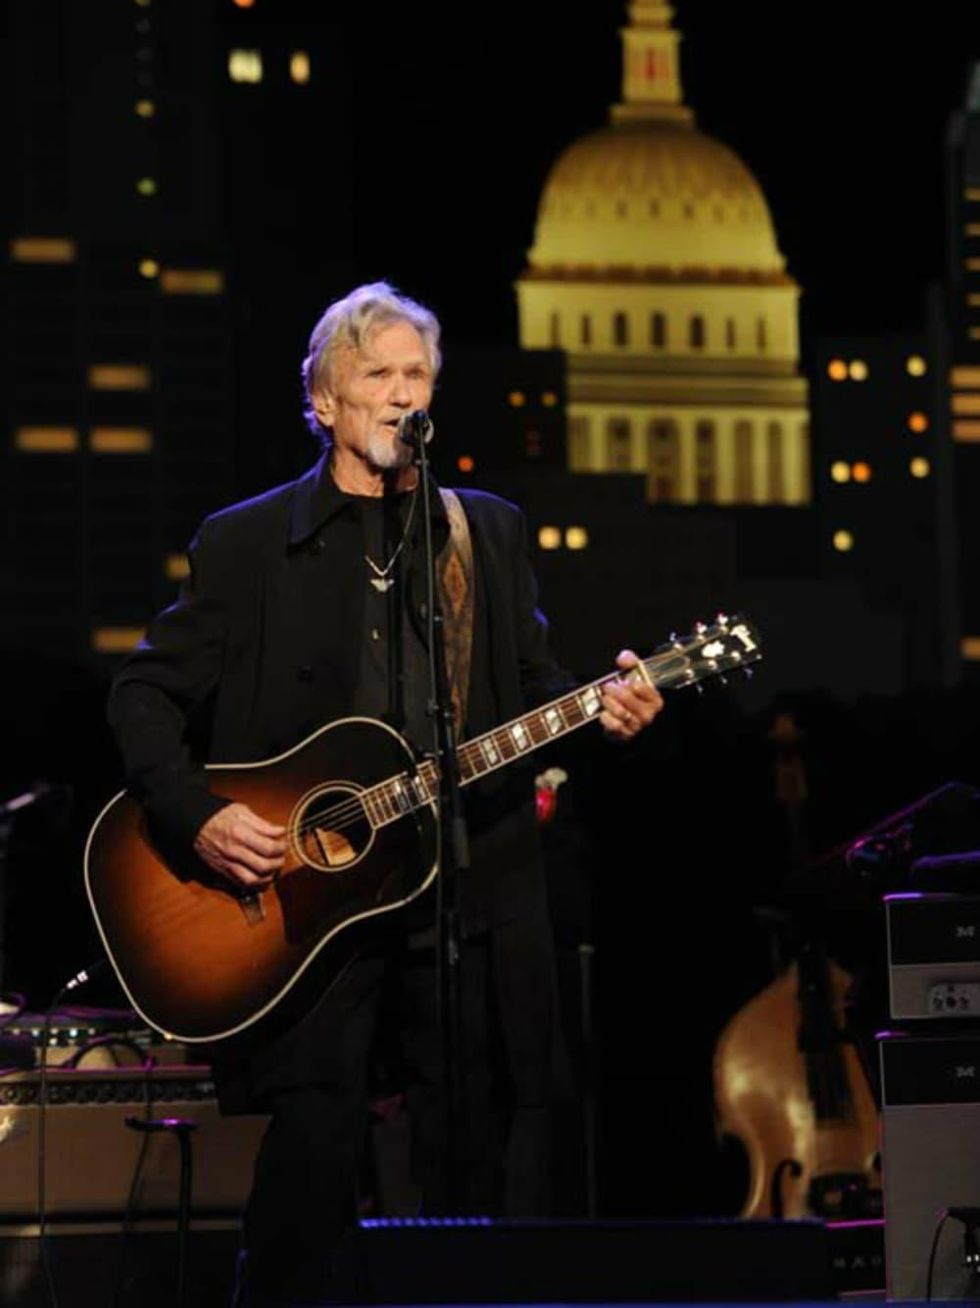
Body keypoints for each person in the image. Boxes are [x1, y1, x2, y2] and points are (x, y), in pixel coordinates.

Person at [108, 282, 662, 1305]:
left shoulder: (480, 533)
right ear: (323, 401)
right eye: (378, 377)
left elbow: (532, 695)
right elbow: (143, 694)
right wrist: (200, 814)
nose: (402, 396)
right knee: (312, 1167)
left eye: (417, 377)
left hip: (464, 897)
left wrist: (607, 711)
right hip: (304, 913)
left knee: (475, 1163)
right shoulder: (249, 542)